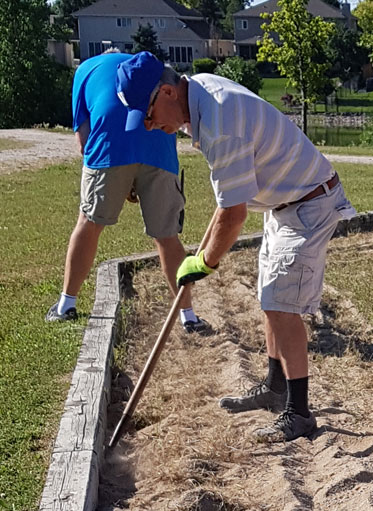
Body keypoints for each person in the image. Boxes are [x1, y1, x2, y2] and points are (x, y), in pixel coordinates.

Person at [116, 52, 356, 443]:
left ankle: (299, 413)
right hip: (284, 204)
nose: (150, 125)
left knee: (282, 305)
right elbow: (229, 198)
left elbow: (234, 214)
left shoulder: (219, 123)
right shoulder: (200, 94)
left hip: (309, 204)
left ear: (167, 92)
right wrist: (200, 254)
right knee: (270, 299)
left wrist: (205, 263)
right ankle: (275, 387)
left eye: (148, 115)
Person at [46, 50, 208, 334]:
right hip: (159, 145)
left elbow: (83, 141)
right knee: (167, 236)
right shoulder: (144, 70)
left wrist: (118, 177)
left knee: (89, 223)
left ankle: (66, 305)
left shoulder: (85, 70)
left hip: (109, 144)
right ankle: (188, 316)